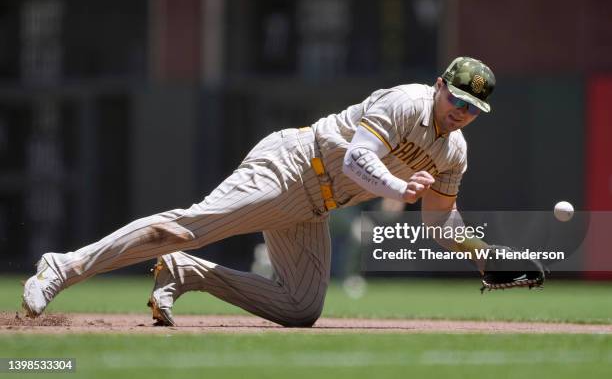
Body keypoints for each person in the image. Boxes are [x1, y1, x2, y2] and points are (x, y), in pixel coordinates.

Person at [22, 56, 495, 327]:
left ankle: (188, 275)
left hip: (315, 206)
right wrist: (397, 186)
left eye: (471, 107)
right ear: (438, 86)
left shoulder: (454, 152)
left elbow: (438, 221)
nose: (460, 111)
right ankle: (64, 266)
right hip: (291, 166)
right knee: (189, 227)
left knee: (301, 308)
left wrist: (483, 251)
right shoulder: (404, 102)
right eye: (455, 98)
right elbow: (357, 159)